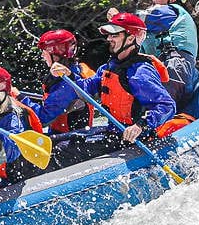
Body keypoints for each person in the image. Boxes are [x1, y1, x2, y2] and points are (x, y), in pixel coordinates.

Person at [52, 12, 175, 148]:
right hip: (113, 132)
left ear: (130, 38)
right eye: (109, 35)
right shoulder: (110, 67)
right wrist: (69, 76)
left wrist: (141, 125)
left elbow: (167, 106)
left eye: (115, 35)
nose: (109, 38)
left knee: (61, 149)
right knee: (54, 140)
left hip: (134, 140)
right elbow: (87, 88)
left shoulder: (140, 73)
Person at [108, 0, 199, 108]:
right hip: (161, 66)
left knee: (163, 106)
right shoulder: (156, 25)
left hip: (175, 64)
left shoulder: (170, 11)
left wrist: (119, 17)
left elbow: (141, 20)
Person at [20, 29, 95, 133]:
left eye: (44, 52)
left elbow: (42, 118)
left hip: (70, 139)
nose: (42, 56)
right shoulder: (81, 68)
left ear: (56, 55)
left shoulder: (66, 84)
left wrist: (19, 99)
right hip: (73, 134)